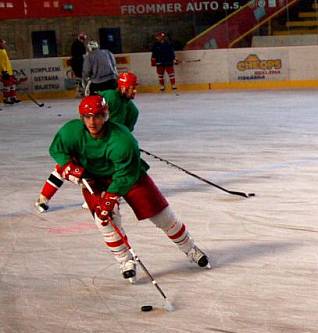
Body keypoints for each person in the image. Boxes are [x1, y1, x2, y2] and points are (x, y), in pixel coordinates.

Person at [39, 95, 209, 282]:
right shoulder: (70, 132)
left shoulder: (123, 140)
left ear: (106, 116)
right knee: (105, 221)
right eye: (87, 117)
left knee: (162, 215)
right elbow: (57, 150)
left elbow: (125, 175)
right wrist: (67, 165)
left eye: (96, 116)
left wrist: (111, 197)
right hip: (94, 180)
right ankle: (125, 261)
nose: (92, 122)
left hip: (129, 176)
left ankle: (190, 248)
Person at [37, 72, 141, 212]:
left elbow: (126, 132)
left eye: (135, 87)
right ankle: (44, 198)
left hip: (107, 145)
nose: (134, 91)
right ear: (121, 87)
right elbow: (90, 109)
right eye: (130, 87)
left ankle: (98, 196)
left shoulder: (133, 111)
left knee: (108, 170)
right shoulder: (109, 96)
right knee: (65, 165)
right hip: (89, 140)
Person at [0, 38, 19, 105]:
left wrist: (9, 70)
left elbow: (6, 61)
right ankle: (6, 98)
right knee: (7, 85)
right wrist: (4, 71)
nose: (4, 44)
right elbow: (1, 62)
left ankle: (13, 97)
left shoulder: (3, 50)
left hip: (9, 70)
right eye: (2, 43)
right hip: (4, 71)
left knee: (12, 84)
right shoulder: (0, 51)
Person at [70, 32, 88, 98]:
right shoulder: (78, 44)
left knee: (79, 78)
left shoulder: (76, 44)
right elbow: (82, 54)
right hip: (78, 63)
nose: (83, 40)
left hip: (76, 63)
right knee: (80, 78)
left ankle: (80, 91)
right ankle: (80, 92)